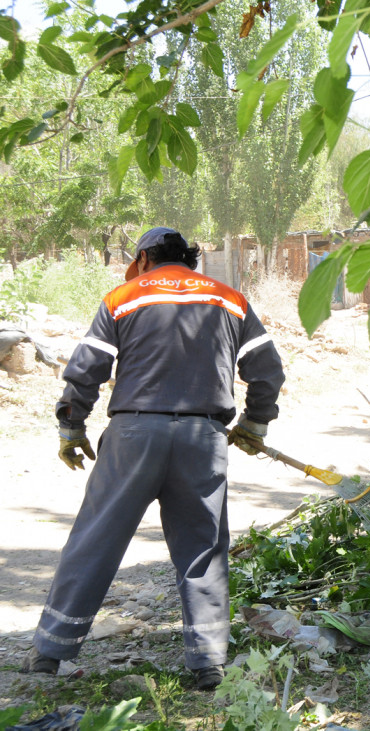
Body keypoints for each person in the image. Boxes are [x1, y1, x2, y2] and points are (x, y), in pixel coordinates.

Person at [21, 227, 285, 691]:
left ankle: (50, 653)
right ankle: (207, 664)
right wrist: (254, 424)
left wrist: (71, 427)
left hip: (133, 435)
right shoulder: (229, 299)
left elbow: (87, 370)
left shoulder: (124, 296)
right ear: (190, 260)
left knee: (95, 538)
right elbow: (267, 371)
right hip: (203, 438)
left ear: (143, 258)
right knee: (202, 548)